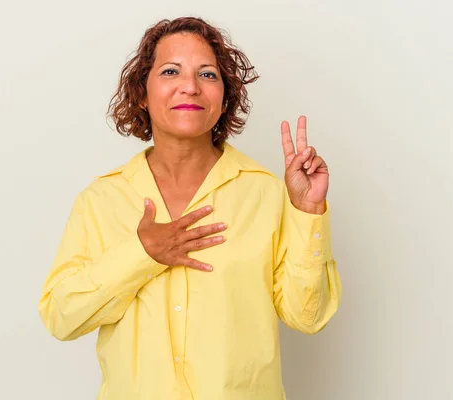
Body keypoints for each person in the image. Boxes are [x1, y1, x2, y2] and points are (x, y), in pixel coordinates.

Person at [38, 16, 342, 400]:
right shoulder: (101, 200)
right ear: (143, 93)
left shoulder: (266, 192)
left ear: (224, 96)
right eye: (170, 71)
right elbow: (61, 317)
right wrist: (141, 254)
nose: (190, 86)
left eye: (208, 75)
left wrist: (307, 211)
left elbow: (307, 316)